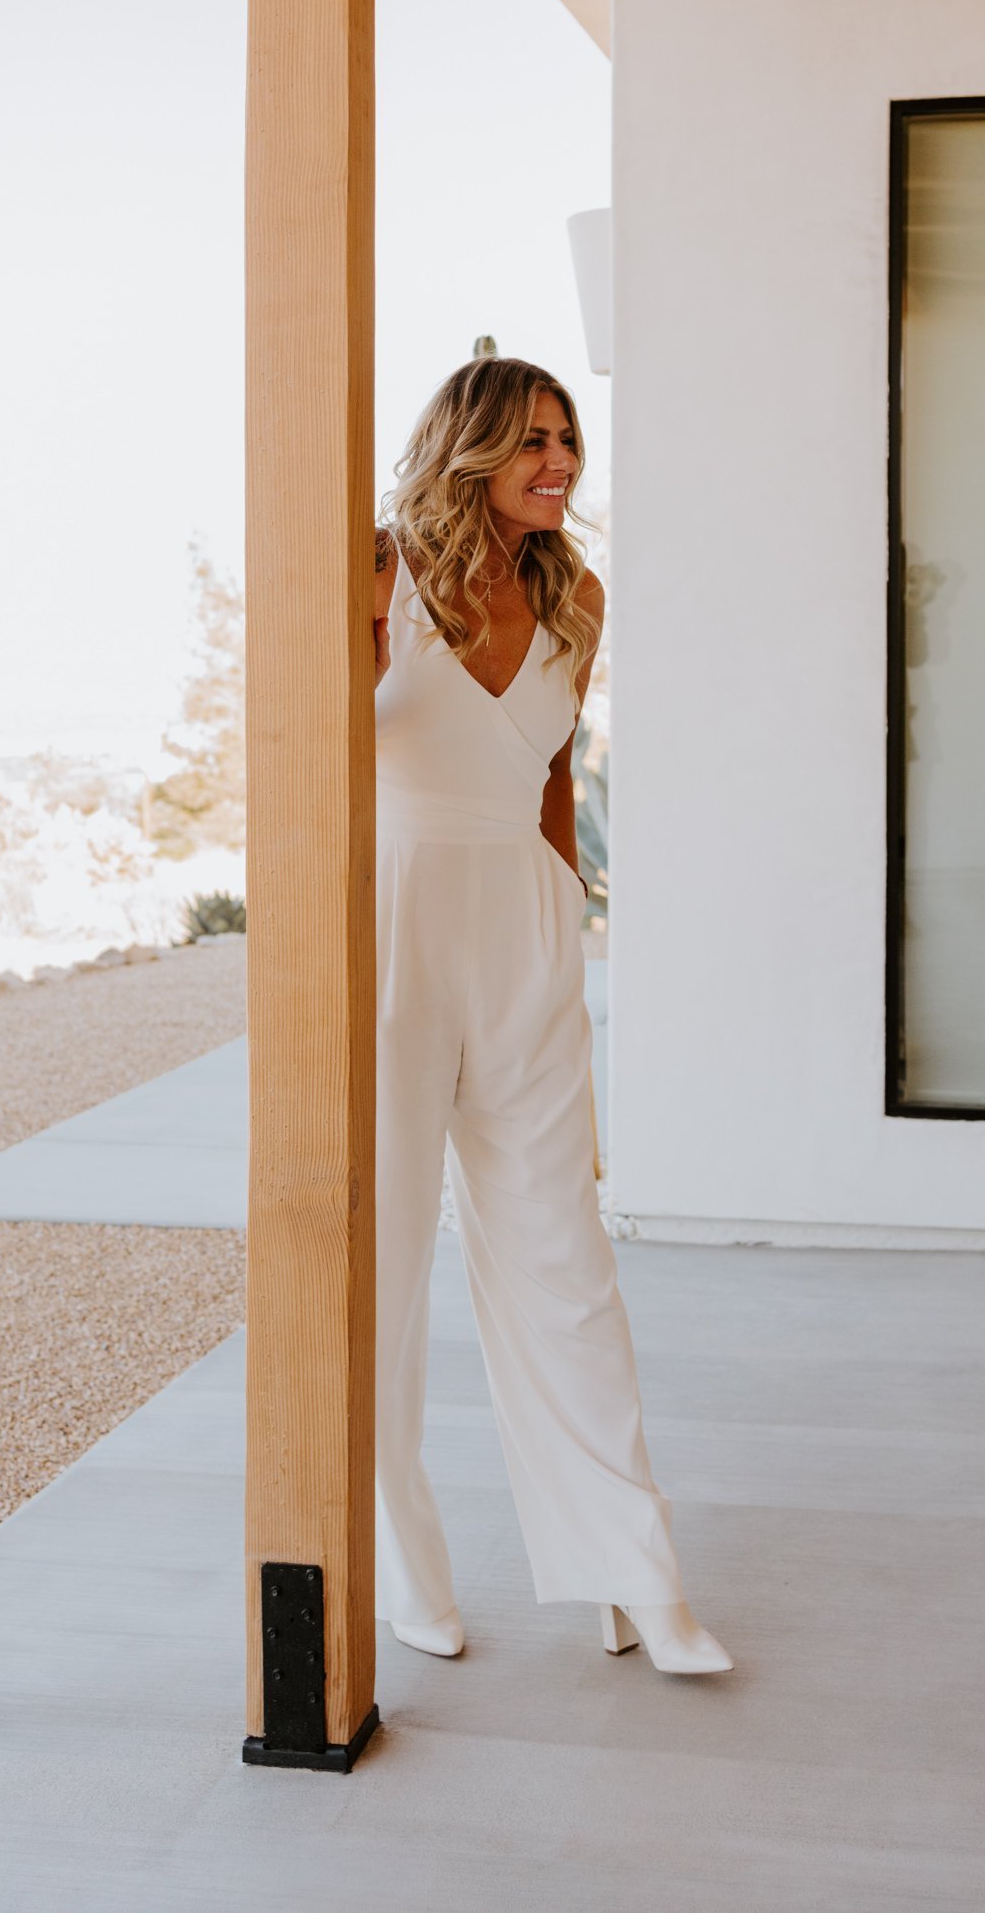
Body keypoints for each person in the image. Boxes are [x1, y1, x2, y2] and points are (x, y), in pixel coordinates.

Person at [372, 355, 730, 1677]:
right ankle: (408, 1566)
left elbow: (552, 773)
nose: (561, 462)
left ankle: (633, 1575)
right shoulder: (380, 570)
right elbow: (308, 749)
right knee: (388, 1257)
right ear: (468, 447)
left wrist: (569, 920)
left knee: (562, 1257)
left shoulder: (573, 591)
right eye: (532, 440)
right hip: (393, 920)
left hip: (521, 926)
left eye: (569, 438)